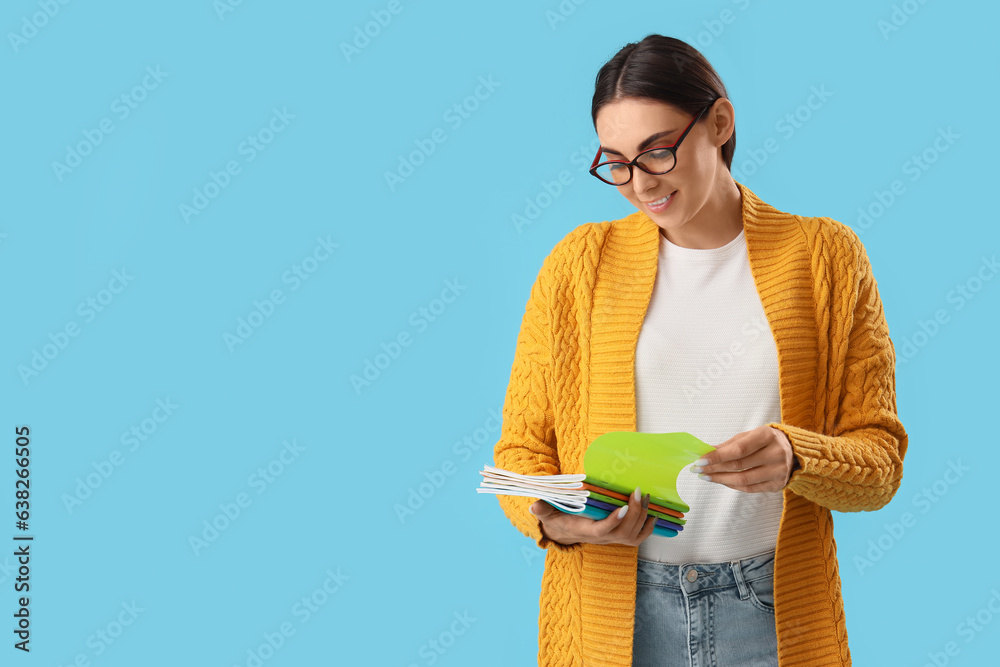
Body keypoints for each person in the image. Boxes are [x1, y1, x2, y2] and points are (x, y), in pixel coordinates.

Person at [491, 34, 908, 667]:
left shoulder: (825, 258)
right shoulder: (579, 266)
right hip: (614, 617)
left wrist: (800, 454)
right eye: (616, 162)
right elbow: (519, 454)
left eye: (656, 152)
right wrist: (558, 523)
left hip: (772, 612)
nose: (638, 183)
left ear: (719, 122)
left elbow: (879, 464)